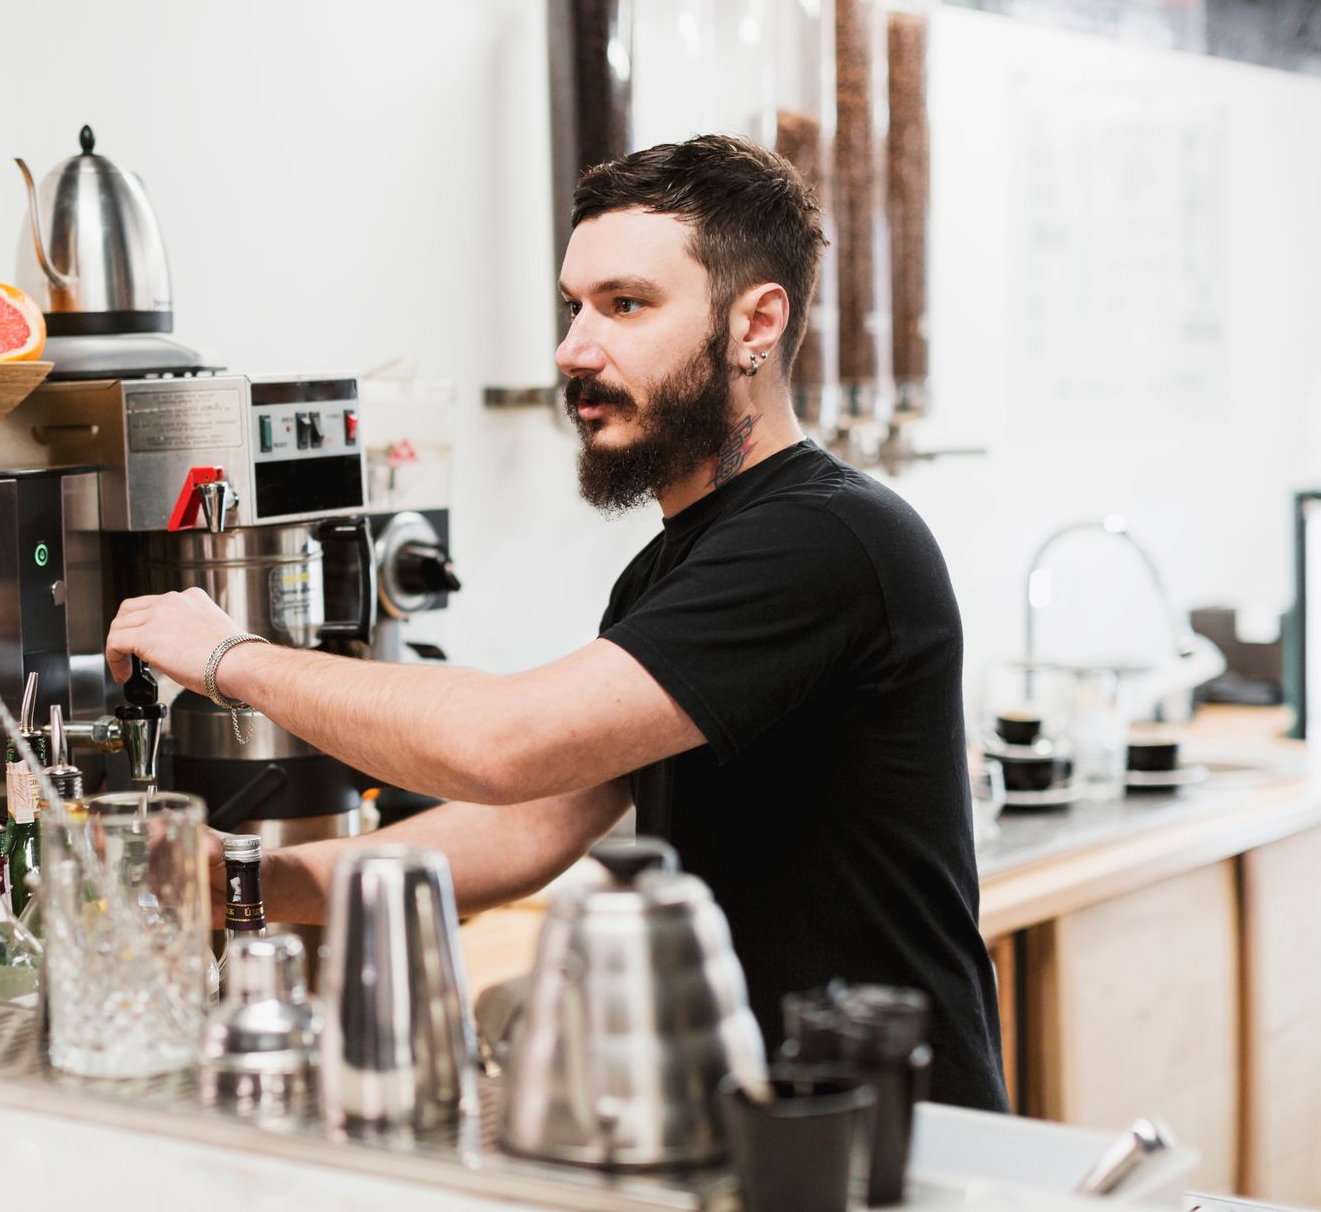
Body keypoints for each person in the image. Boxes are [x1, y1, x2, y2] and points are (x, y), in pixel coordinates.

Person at [106, 135, 1006, 1111]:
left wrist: (228, 654)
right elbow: (531, 823)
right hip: (764, 1115)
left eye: (626, 304)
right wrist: (243, 881)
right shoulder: (679, 560)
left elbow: (505, 745)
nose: (575, 348)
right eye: (573, 307)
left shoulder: (828, 540)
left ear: (757, 321)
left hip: (888, 1136)